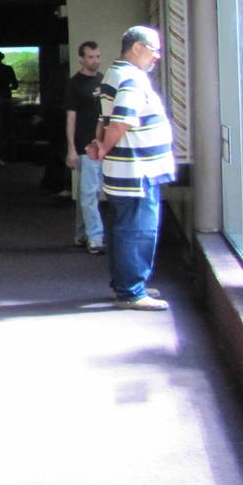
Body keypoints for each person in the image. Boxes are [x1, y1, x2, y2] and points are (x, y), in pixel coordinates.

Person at [84, 26, 175, 311]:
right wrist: (103, 147)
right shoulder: (131, 78)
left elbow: (105, 119)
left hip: (129, 171)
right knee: (138, 230)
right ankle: (131, 291)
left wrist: (100, 145)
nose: (156, 57)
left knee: (127, 229)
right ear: (137, 47)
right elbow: (121, 122)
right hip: (136, 172)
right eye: (154, 50)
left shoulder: (115, 73)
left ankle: (128, 286)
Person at [63, 40, 105, 254]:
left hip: (102, 144)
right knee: (89, 192)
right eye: (90, 57)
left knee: (88, 193)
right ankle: (95, 238)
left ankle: (81, 235)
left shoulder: (102, 80)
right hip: (84, 145)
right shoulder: (75, 84)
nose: (95, 61)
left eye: (97, 56)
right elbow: (71, 118)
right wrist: (71, 148)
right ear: (81, 59)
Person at [0, 50, 19, 160]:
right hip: (7, 101)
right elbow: (15, 84)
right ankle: (11, 155)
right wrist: (8, 88)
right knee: (9, 127)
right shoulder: (8, 69)